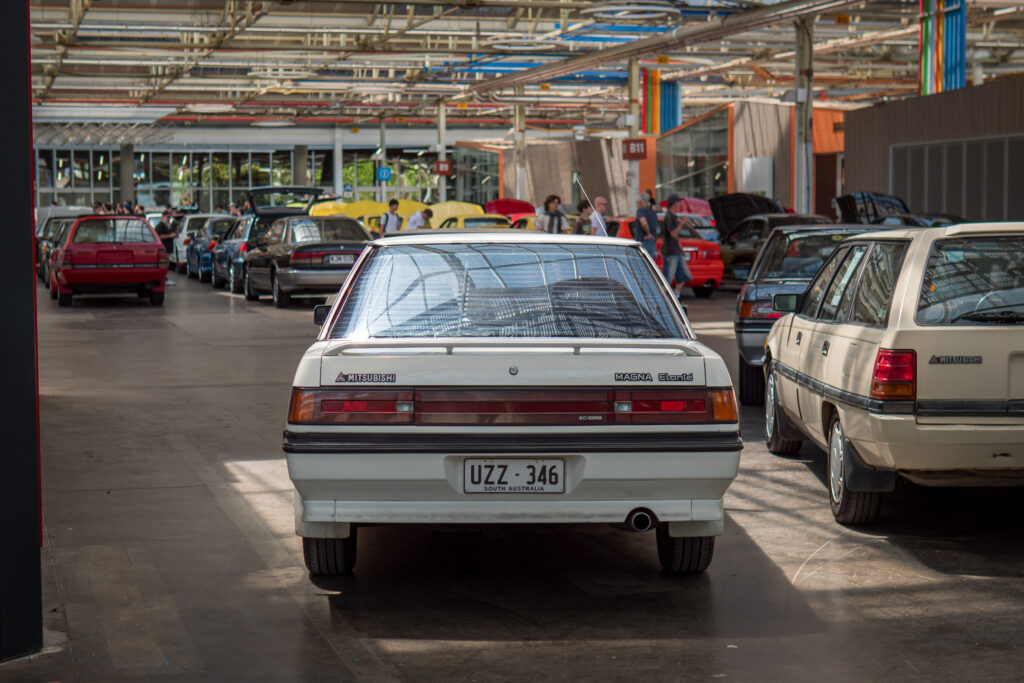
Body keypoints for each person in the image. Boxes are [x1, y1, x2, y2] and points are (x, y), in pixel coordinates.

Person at [660, 194, 692, 299]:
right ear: (674, 203)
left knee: (684, 275)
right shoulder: (669, 217)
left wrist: (681, 249)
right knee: (667, 278)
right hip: (669, 252)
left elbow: (676, 237)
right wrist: (682, 223)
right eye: (679, 201)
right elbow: (673, 234)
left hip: (676, 252)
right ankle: (663, 297)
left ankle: (676, 296)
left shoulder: (675, 216)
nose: (680, 203)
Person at [154, 209, 177, 286]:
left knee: (167, 264)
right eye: (167, 217)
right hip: (164, 248)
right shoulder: (160, 226)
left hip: (168, 248)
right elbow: (159, 236)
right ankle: (164, 279)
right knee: (164, 265)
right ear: (163, 217)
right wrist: (169, 236)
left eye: (169, 217)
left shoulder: (167, 225)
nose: (168, 219)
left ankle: (165, 278)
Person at [634, 192, 659, 259]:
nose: (636, 204)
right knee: (649, 264)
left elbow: (644, 223)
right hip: (652, 241)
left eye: (636, 202)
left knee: (641, 264)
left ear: (640, 202)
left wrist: (648, 233)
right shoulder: (653, 212)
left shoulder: (641, 211)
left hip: (644, 241)